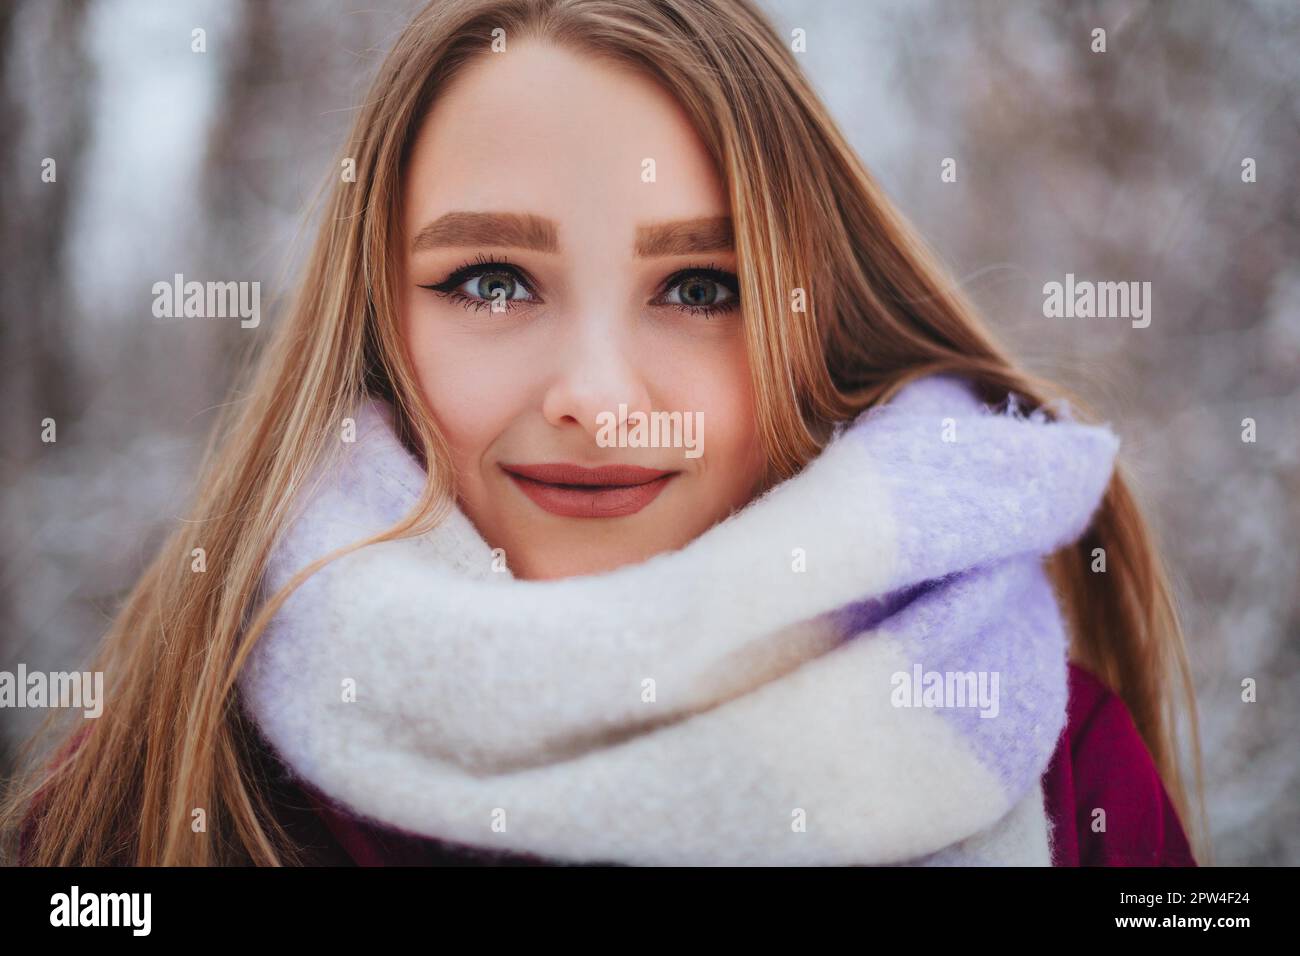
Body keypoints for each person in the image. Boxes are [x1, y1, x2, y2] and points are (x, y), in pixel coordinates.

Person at [4, 0, 1204, 867]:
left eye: (698, 287)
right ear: (374, 331)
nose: (595, 393)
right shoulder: (156, 792)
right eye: (488, 281)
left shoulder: (1066, 770)